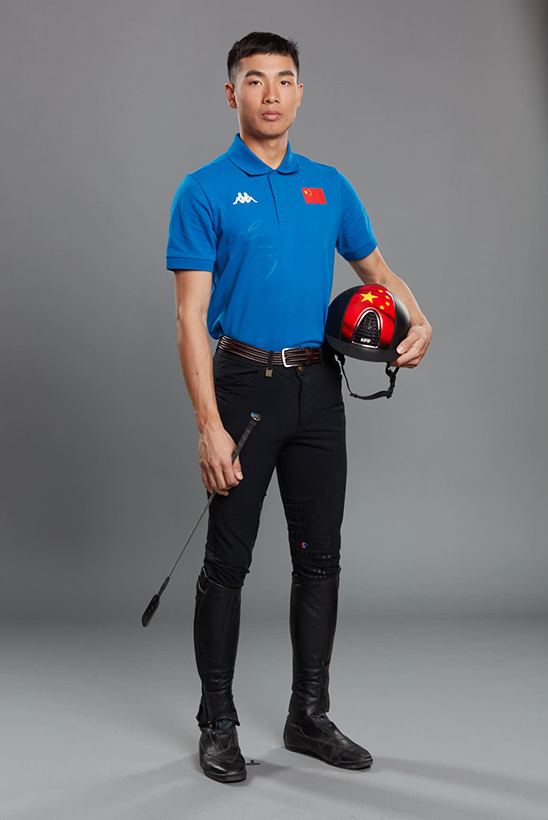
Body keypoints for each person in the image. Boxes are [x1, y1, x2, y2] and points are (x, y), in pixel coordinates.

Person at [166, 31, 431, 783]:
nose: (271, 93)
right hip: (244, 388)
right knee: (228, 561)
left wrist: (420, 319)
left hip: (319, 389)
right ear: (232, 94)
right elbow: (189, 317)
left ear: (300, 92)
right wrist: (208, 426)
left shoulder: (329, 186)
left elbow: (378, 272)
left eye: (284, 79)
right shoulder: (203, 190)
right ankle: (218, 721)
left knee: (320, 557)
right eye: (255, 80)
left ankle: (307, 715)